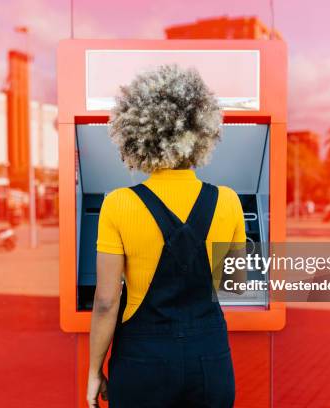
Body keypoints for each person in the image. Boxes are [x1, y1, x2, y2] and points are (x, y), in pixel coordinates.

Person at [87, 65, 247, 407]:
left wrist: (93, 371)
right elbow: (234, 284)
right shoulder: (229, 201)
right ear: (200, 132)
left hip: (143, 360)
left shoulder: (118, 204)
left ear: (135, 134)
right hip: (210, 357)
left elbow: (105, 301)